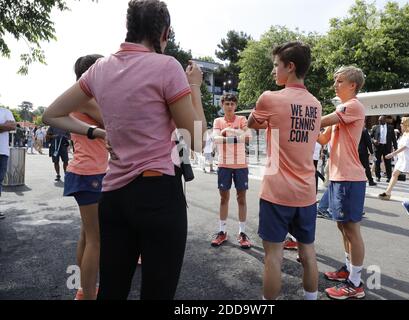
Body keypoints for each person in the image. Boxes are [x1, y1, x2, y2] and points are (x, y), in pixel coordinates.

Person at [43, 0, 206, 300]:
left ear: (129, 28)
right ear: (164, 33)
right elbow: (196, 140)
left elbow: (51, 114)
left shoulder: (100, 68)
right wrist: (193, 85)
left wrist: (96, 131)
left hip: (114, 195)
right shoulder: (167, 66)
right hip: (158, 193)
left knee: (113, 290)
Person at [248, 41, 321, 300]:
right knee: (308, 253)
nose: (273, 71)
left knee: (273, 257)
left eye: (276, 65)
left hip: (276, 192)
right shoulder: (316, 104)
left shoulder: (269, 98)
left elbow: (252, 123)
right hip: (306, 192)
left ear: (290, 67)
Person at [318, 66, 367, 300]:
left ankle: (355, 283)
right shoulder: (340, 109)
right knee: (342, 226)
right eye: (335, 81)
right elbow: (323, 137)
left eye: (339, 81)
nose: (334, 85)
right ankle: (348, 269)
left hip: (350, 177)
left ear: (352, 85)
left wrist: (298, 115)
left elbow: (320, 120)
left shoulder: (353, 106)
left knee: (351, 229)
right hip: (338, 176)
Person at [63, 54, 108, 300]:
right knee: (95, 240)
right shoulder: (86, 99)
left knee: (87, 235)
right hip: (90, 172)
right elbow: (111, 120)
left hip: (86, 171)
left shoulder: (83, 99)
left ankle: (84, 288)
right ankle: (87, 294)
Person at [211, 93, 252, 249]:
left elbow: (249, 136)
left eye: (232, 104)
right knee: (224, 198)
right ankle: (222, 231)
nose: (229, 106)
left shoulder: (241, 119)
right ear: (222, 105)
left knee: (241, 198)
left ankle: (242, 233)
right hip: (224, 164)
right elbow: (215, 139)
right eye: (227, 103)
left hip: (241, 164)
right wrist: (236, 135)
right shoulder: (217, 121)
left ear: (236, 106)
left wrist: (227, 131)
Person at [378, 117, 409, 200]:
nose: (400, 124)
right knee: (395, 174)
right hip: (402, 158)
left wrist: (392, 154)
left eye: (402, 123)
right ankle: (387, 193)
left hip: (408, 158)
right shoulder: (404, 134)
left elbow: (404, 147)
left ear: (407, 124)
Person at [0, 106, 16, 219]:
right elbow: (7, 126)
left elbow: (12, 126)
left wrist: (7, 126)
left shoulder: (5, 111)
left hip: (2, 152)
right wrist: (3, 126)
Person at [371, 115, 398, 182]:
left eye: (381, 120)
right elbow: (370, 137)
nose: (379, 121)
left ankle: (389, 177)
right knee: (377, 162)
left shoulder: (390, 128)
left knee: (388, 163)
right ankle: (378, 177)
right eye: (379, 120)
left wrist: (395, 147)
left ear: (385, 120)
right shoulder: (375, 127)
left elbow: (393, 139)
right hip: (378, 147)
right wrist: (374, 141)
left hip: (387, 147)